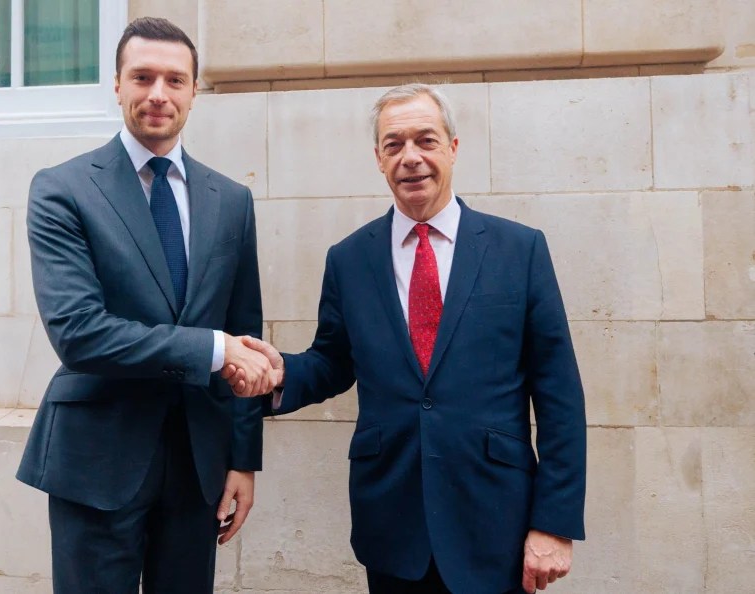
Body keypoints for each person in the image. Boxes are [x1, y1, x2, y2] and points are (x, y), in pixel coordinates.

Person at [225, 83, 587, 594]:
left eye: (426, 140)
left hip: (495, 522)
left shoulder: (519, 250)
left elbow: (559, 395)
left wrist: (554, 522)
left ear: (453, 148)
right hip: (393, 525)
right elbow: (332, 361)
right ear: (378, 158)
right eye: (394, 144)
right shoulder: (349, 259)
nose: (410, 157)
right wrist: (282, 372)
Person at [16, 17, 274, 594]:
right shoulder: (62, 189)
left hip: (198, 465)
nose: (159, 93)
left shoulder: (232, 200)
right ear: (117, 85)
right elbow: (79, 333)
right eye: (143, 77)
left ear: (194, 91)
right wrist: (212, 348)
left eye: (175, 80)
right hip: (97, 460)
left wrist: (242, 458)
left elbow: (245, 334)